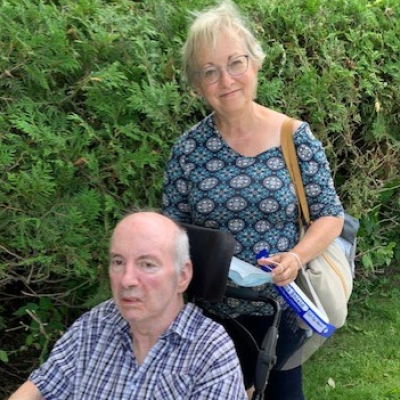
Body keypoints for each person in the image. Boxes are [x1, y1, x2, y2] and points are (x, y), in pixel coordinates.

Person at [162, 1, 345, 399]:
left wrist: (296, 256)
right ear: (197, 84)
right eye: (209, 71)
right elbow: (170, 235)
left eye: (235, 63)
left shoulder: (293, 137)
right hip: (207, 320)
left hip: (278, 315)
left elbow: (329, 215)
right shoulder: (188, 150)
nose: (226, 80)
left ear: (255, 63)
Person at [8, 211, 247, 400]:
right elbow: (41, 385)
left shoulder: (210, 350)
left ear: (182, 276)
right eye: (118, 261)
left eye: (147, 264)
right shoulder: (98, 321)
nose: (126, 279)